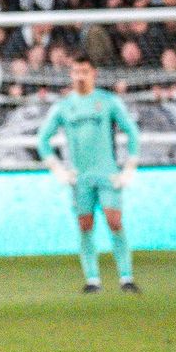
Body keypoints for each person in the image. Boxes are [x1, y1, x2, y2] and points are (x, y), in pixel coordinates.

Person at [37, 54, 141, 292]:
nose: (80, 76)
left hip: (107, 173)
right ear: (70, 75)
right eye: (76, 72)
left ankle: (126, 277)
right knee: (85, 225)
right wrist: (58, 170)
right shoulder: (64, 106)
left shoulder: (108, 101)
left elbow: (132, 132)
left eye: (84, 71)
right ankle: (92, 280)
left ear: (94, 73)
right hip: (80, 177)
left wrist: (130, 167)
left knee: (114, 221)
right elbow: (42, 140)